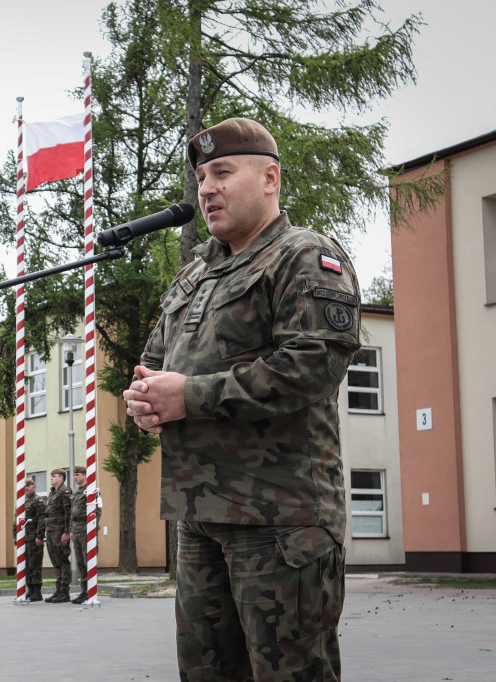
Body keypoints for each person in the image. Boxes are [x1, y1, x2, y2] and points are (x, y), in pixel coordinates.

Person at [123, 117, 361, 681]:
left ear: (270, 178)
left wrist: (190, 397)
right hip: (199, 516)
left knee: (291, 674)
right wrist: (146, 399)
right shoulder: (195, 276)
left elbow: (310, 367)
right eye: (203, 176)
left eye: (223, 172)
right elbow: (158, 364)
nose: (206, 188)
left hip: (279, 519)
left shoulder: (304, 257)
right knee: (206, 673)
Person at [70, 464, 102, 605]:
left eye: (78, 475)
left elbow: (98, 511)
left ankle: (90, 591)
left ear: (84, 475)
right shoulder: (77, 492)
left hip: (86, 529)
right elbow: (72, 513)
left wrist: (91, 528)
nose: (75, 477)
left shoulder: (91, 490)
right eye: (75, 475)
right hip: (77, 530)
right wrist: (71, 529)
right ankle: (84, 591)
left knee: (89, 561)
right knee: (80, 563)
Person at [12, 477, 46, 601]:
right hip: (23, 539)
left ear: (34, 487)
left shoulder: (38, 501)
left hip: (33, 538)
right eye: (24, 486)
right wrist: (15, 536)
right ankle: (30, 589)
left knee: (34, 565)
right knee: (25, 565)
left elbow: (42, 520)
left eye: (29, 486)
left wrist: (40, 536)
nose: (26, 488)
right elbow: (16, 520)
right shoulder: (21, 502)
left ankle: (37, 591)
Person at [43, 468, 72, 603]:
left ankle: (65, 591)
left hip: (60, 532)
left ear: (61, 478)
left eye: (54, 476)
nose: (51, 478)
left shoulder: (65, 492)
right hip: (51, 532)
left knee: (62, 561)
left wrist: (66, 532)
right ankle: (58, 590)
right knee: (55, 562)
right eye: (51, 476)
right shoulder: (53, 492)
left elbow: (68, 513)